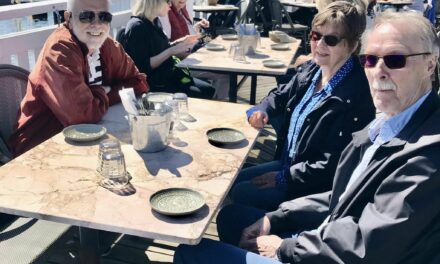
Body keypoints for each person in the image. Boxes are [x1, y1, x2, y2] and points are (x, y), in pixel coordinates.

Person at [173, 11, 440, 263]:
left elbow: (368, 245)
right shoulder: (387, 123)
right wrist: (275, 220)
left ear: (430, 64)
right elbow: (342, 196)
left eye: (395, 60)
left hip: (334, 250)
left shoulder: (428, 153)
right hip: (326, 233)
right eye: (371, 59)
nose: (379, 70)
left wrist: (285, 246)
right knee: (231, 216)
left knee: (192, 254)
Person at [230, 1, 375, 211]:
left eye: (331, 39)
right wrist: (262, 110)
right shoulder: (313, 69)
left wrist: (283, 178)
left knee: (241, 193)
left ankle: (265, 231)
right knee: (235, 181)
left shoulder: (354, 97)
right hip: (289, 164)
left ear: (352, 46)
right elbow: (279, 96)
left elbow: (332, 165)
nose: (319, 45)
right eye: (316, 36)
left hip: (311, 187)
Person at [8, 0, 149, 157]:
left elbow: (139, 82)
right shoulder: (60, 49)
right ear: (68, 18)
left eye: (104, 16)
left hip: (89, 142)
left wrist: (100, 96)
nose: (96, 24)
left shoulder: (107, 45)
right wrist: (104, 91)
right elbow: (82, 116)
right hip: (40, 150)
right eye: (86, 16)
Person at [120, 0, 215, 99]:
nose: (170, 5)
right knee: (204, 93)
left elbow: (160, 48)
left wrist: (182, 41)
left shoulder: (154, 21)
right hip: (155, 84)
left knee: (209, 90)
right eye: (168, 2)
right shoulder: (137, 27)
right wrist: (171, 51)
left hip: (169, 74)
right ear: (156, 3)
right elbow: (143, 66)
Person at [159, 0, 231, 99]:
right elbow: (168, 45)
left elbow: (189, 37)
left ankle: (214, 101)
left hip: (194, 55)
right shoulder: (166, 14)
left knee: (224, 62)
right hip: (183, 62)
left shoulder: (182, 12)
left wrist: (196, 27)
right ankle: (216, 104)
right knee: (224, 75)